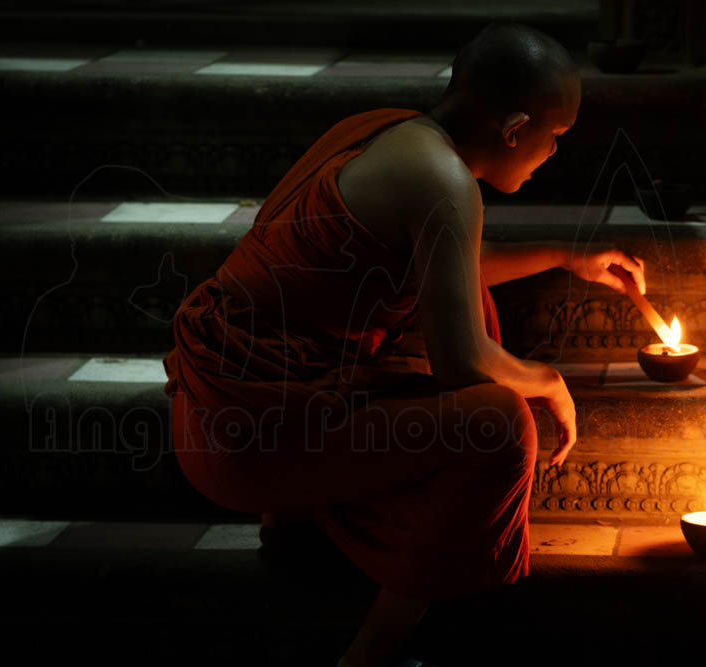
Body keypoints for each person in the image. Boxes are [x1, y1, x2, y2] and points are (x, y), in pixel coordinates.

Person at [163, 22, 646, 667]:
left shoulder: (392, 131)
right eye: (553, 138)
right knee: (502, 425)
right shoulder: (444, 179)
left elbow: (449, 264)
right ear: (514, 128)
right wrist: (547, 380)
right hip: (243, 435)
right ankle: (371, 653)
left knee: (465, 305)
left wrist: (566, 255)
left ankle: (303, 533)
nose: (552, 154)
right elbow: (461, 362)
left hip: (238, 405)